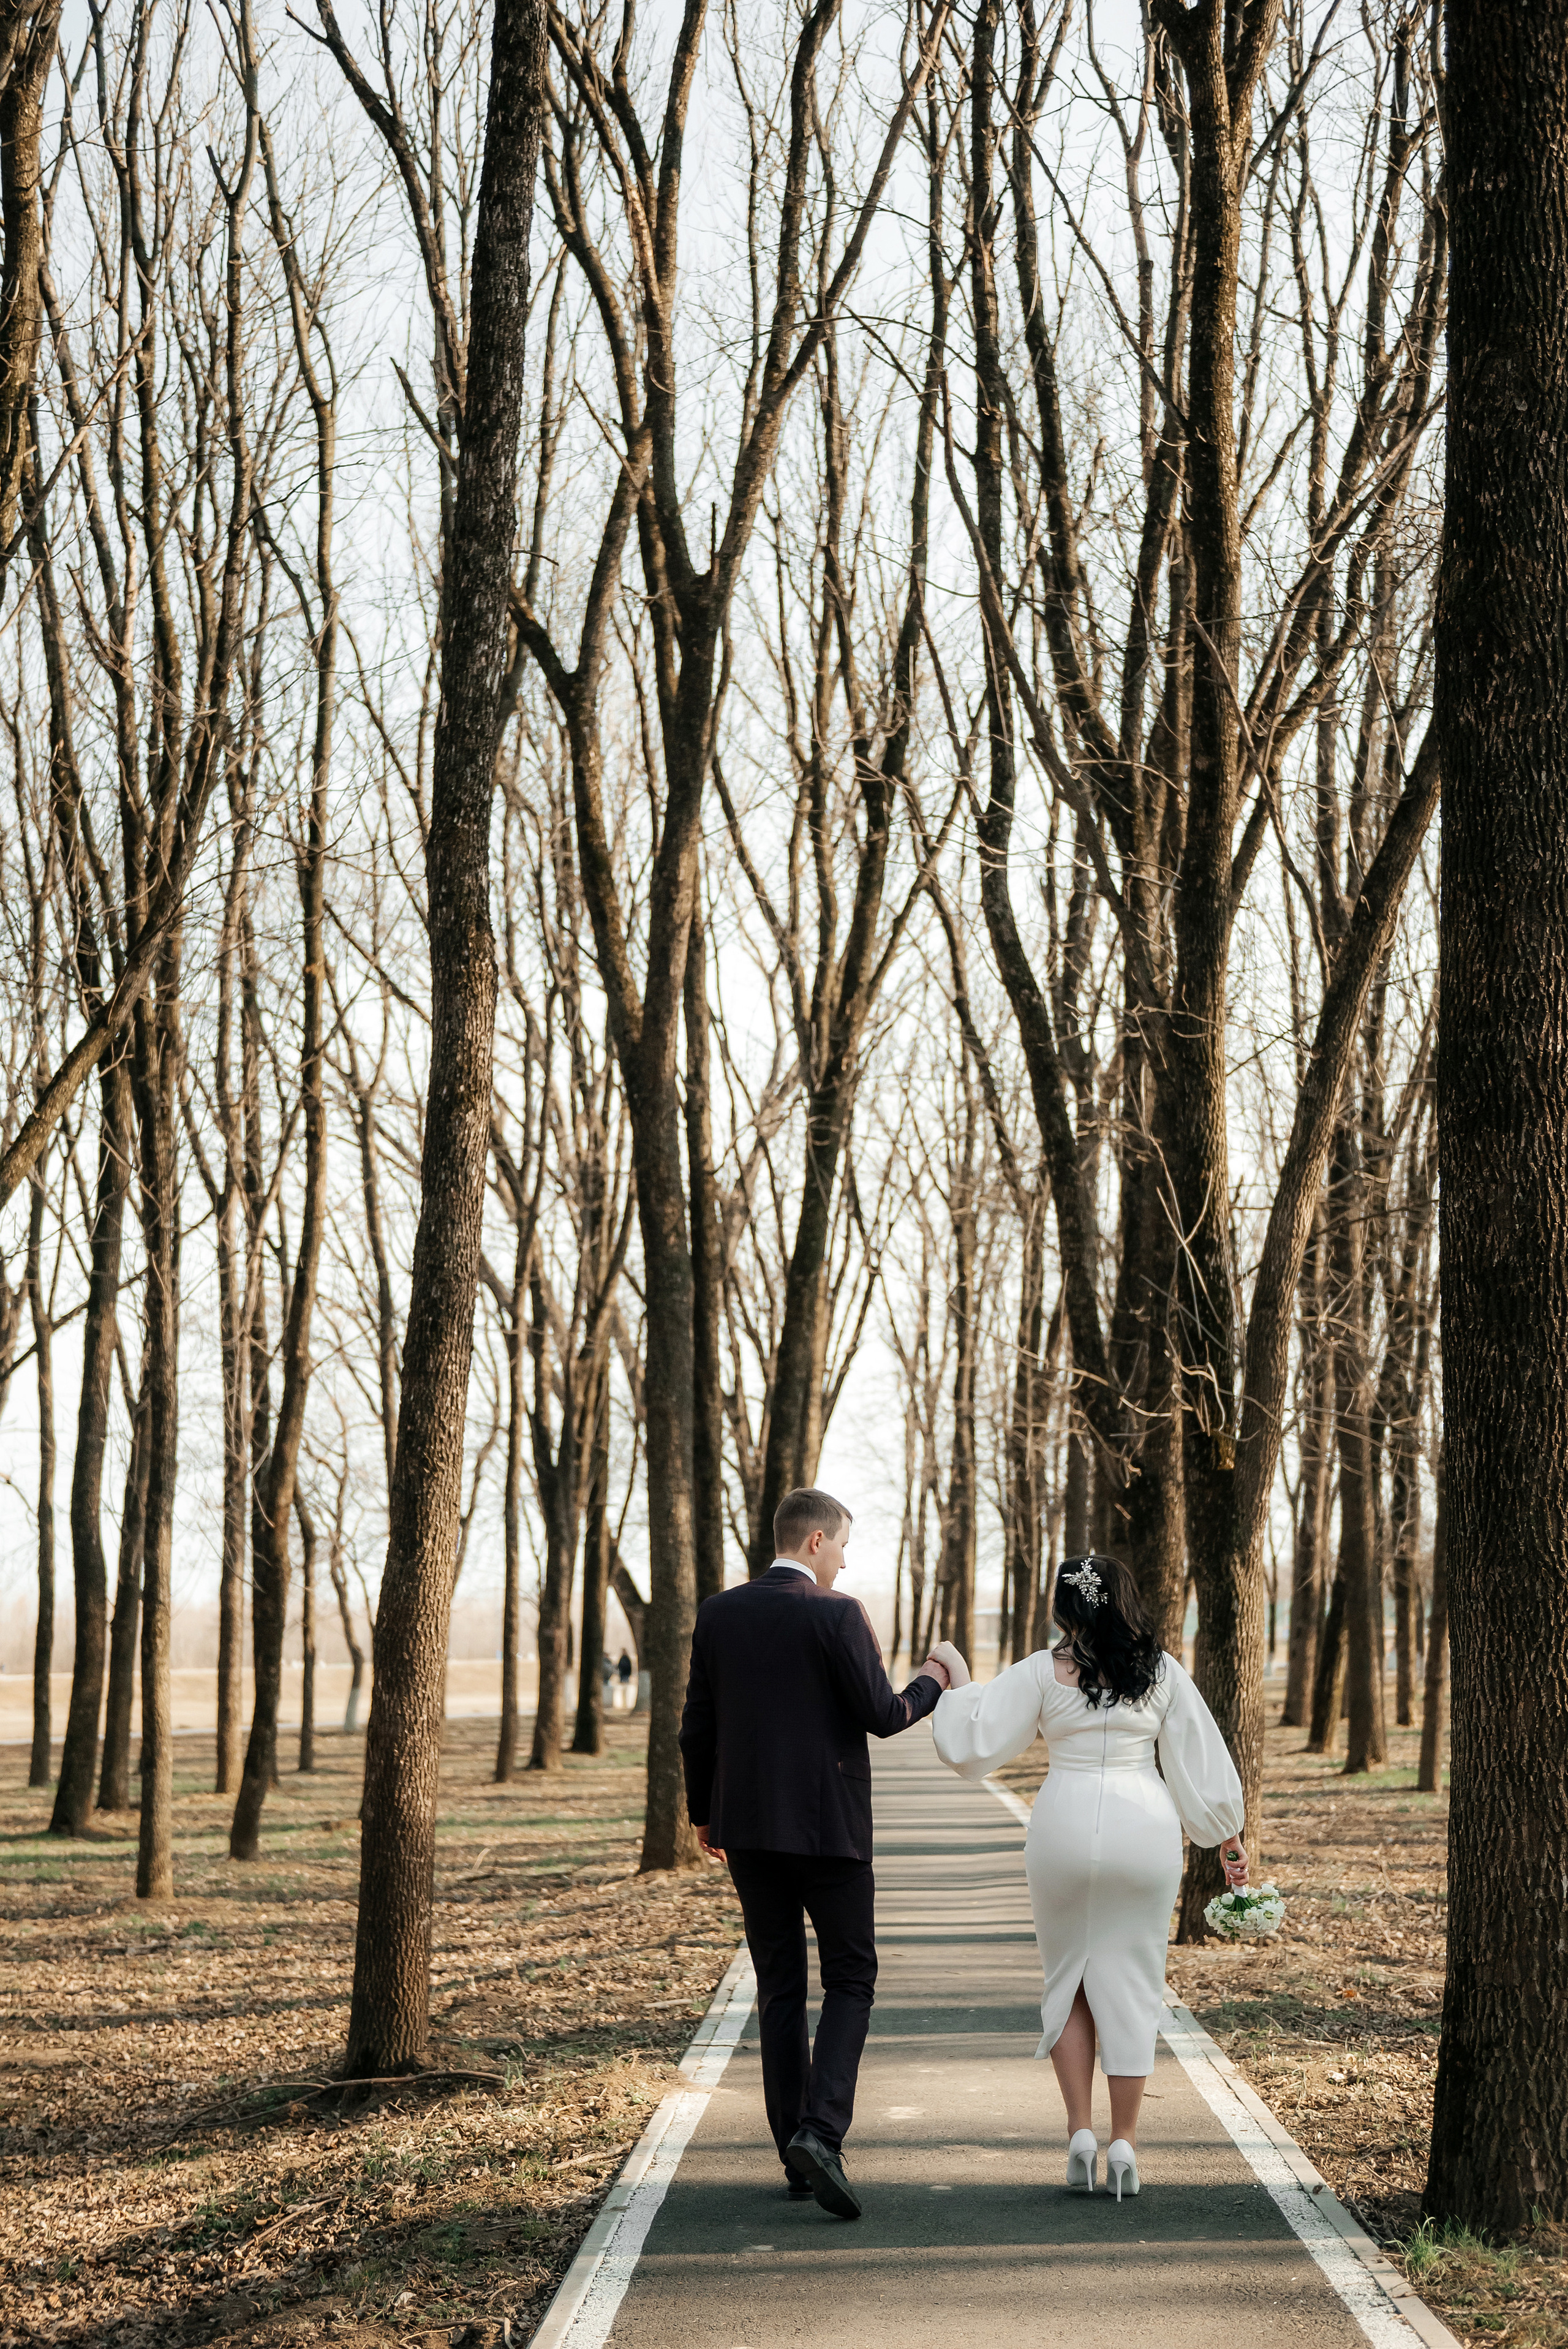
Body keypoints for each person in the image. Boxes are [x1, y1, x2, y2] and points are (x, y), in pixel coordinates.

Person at [679, 1486, 962, 2220]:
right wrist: (933, 1678)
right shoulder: (837, 1613)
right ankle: (821, 2132)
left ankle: (795, 2156)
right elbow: (884, 1714)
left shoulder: (718, 1613)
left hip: (746, 1829)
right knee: (850, 1978)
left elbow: (696, 1725)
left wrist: (704, 1814)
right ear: (815, 1541)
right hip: (829, 1830)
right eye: (840, 1546)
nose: (842, 1560)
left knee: (779, 1986)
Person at [930, 1552, 1246, 2203]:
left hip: (1063, 1828)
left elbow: (975, 1741)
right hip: (1143, 1828)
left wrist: (956, 1677)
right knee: (1133, 1980)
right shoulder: (1160, 1671)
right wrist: (1226, 1834)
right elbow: (1197, 1757)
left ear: (1063, 1607)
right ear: (1125, 1600)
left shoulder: (1042, 1671)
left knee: (1068, 1977)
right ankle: (1124, 2141)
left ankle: (1080, 2133)